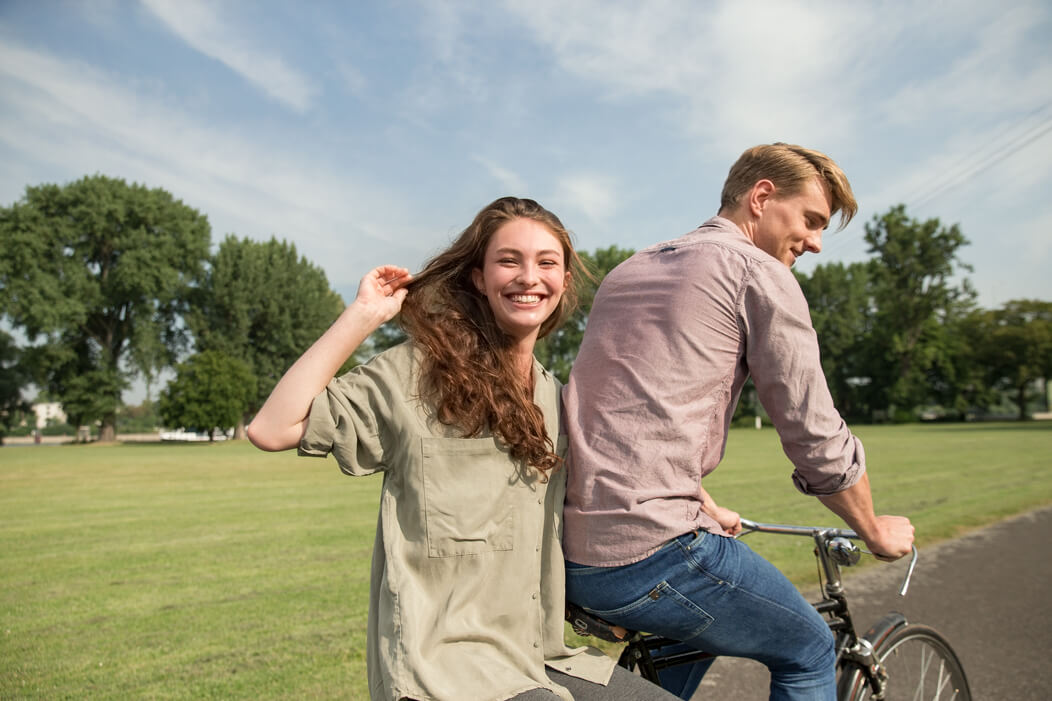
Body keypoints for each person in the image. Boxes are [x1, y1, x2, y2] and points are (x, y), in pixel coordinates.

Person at [247, 197, 677, 701]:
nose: (528, 277)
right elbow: (273, 428)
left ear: (562, 283)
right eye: (509, 260)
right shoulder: (415, 373)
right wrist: (365, 315)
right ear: (478, 277)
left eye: (546, 262)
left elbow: (612, 480)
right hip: (447, 668)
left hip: (538, 652)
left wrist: (703, 508)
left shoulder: (555, 398)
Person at [560, 144, 916, 701]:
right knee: (810, 651)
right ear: (762, 196)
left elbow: (620, 414)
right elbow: (813, 431)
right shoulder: (758, 271)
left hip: (574, 553)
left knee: (686, 641)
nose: (816, 242)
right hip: (652, 553)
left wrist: (697, 496)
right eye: (811, 220)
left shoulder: (633, 269)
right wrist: (872, 528)